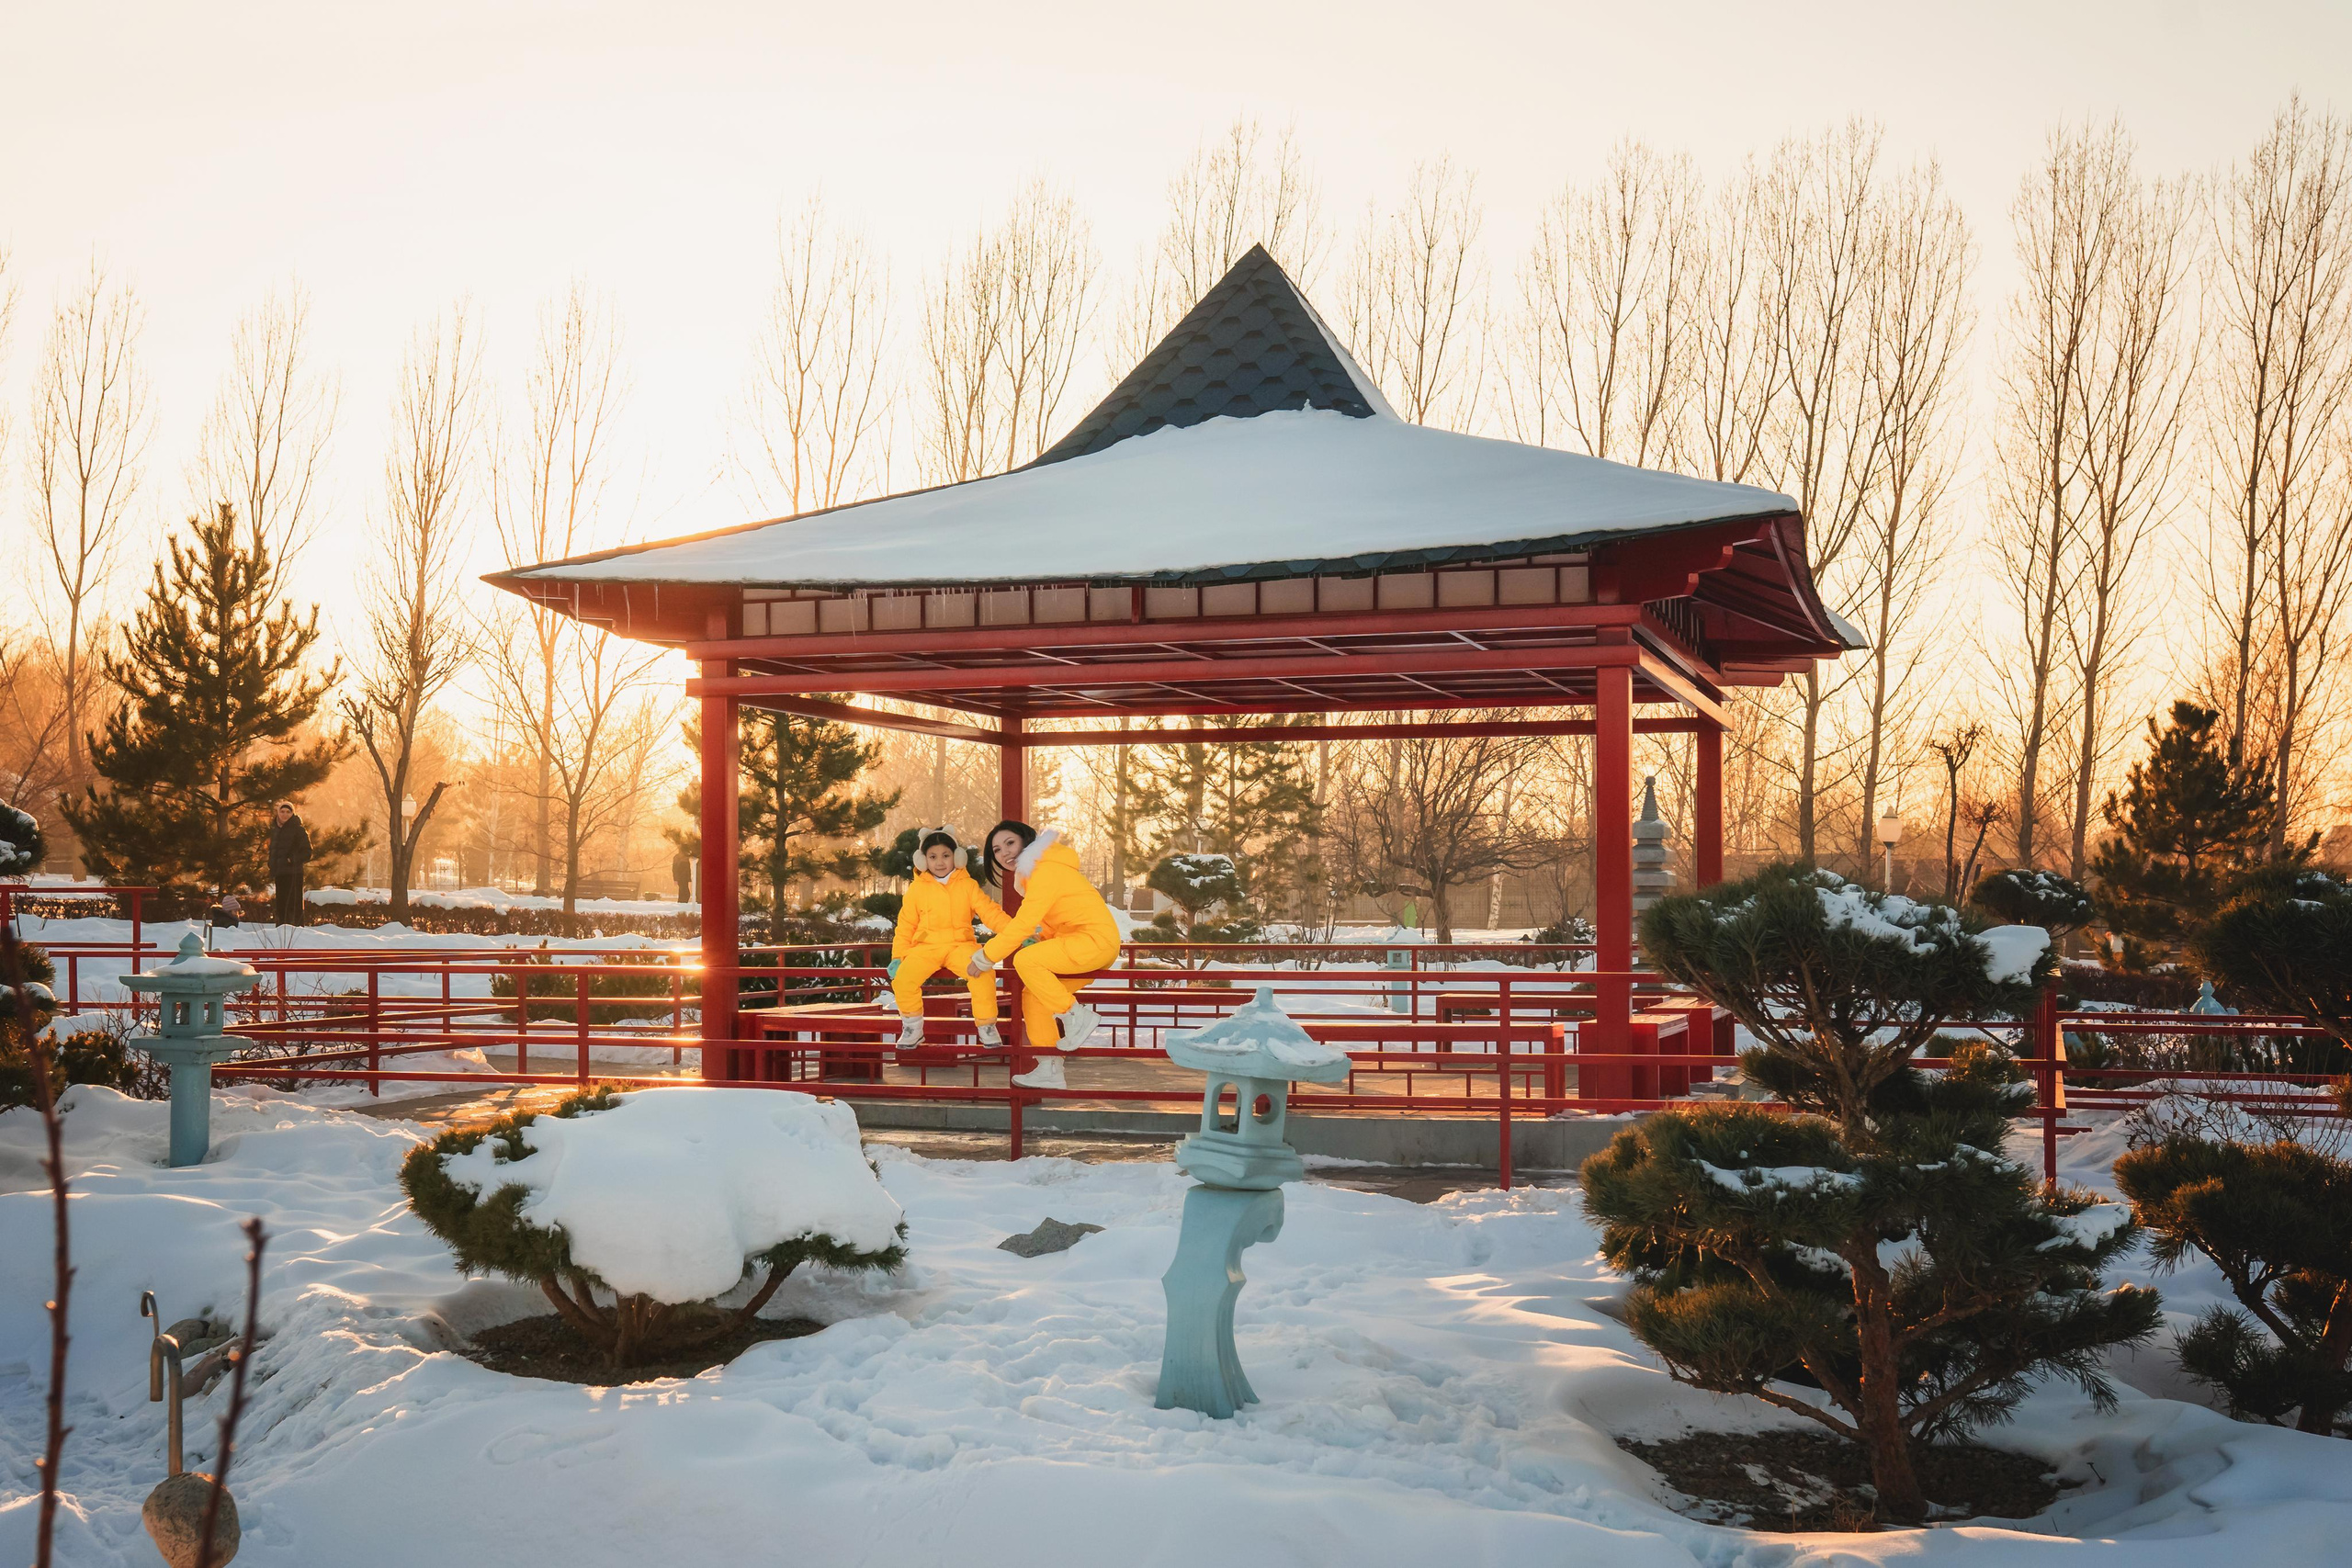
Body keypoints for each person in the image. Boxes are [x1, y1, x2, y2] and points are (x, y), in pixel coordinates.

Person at [967, 819, 1119, 1091]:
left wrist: (985, 957)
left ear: (1027, 840)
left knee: (1027, 960)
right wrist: (1041, 939)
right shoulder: (1037, 873)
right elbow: (1056, 921)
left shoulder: (1046, 871)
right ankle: (1050, 1068)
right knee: (1034, 995)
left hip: (1093, 941)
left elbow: (1023, 922)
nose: (1005, 853)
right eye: (997, 850)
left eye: (1010, 843)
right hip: (1083, 941)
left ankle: (1075, 1015)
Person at [885, 828, 1011, 1052]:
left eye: (946, 856)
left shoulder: (968, 885)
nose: (940, 862)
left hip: (960, 946)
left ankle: (987, 1025)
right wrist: (898, 956)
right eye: (933, 857)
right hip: (925, 948)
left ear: (957, 857)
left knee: (982, 973)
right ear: (923, 860)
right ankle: (912, 1027)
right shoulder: (916, 889)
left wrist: (1016, 931)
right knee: (903, 979)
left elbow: (990, 912)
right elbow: (906, 925)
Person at [268, 802, 311, 926]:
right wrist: (271, 864)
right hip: (279, 873)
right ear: (278, 813)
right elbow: (273, 850)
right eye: (282, 811)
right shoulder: (275, 830)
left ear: (293, 813)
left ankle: (297, 933)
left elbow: (307, 852)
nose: (285, 814)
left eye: (288, 812)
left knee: (294, 905)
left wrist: (292, 860)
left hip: (294, 873)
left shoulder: (299, 830)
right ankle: (281, 932)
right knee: (281, 906)